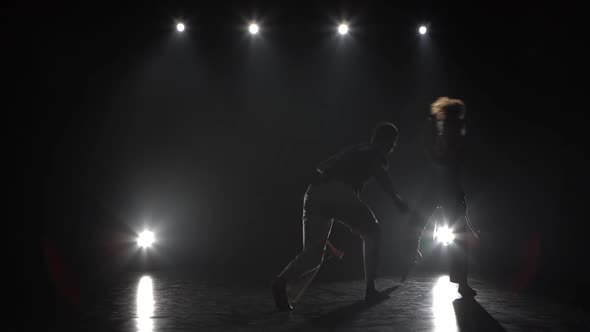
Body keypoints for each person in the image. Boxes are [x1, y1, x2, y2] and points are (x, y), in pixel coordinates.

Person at [271, 122, 410, 311]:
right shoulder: (375, 152)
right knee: (373, 231)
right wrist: (396, 199)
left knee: (312, 255)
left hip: (314, 192)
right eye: (392, 144)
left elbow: (322, 166)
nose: (391, 148)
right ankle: (370, 289)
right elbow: (381, 175)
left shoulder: (353, 150)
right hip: (338, 192)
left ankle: (282, 282)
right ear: (386, 141)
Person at [401, 97, 478, 297]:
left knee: (419, 222)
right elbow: (448, 159)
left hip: (441, 185)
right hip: (445, 185)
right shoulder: (449, 130)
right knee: (458, 234)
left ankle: (410, 254)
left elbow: (442, 157)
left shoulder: (443, 130)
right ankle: (461, 282)